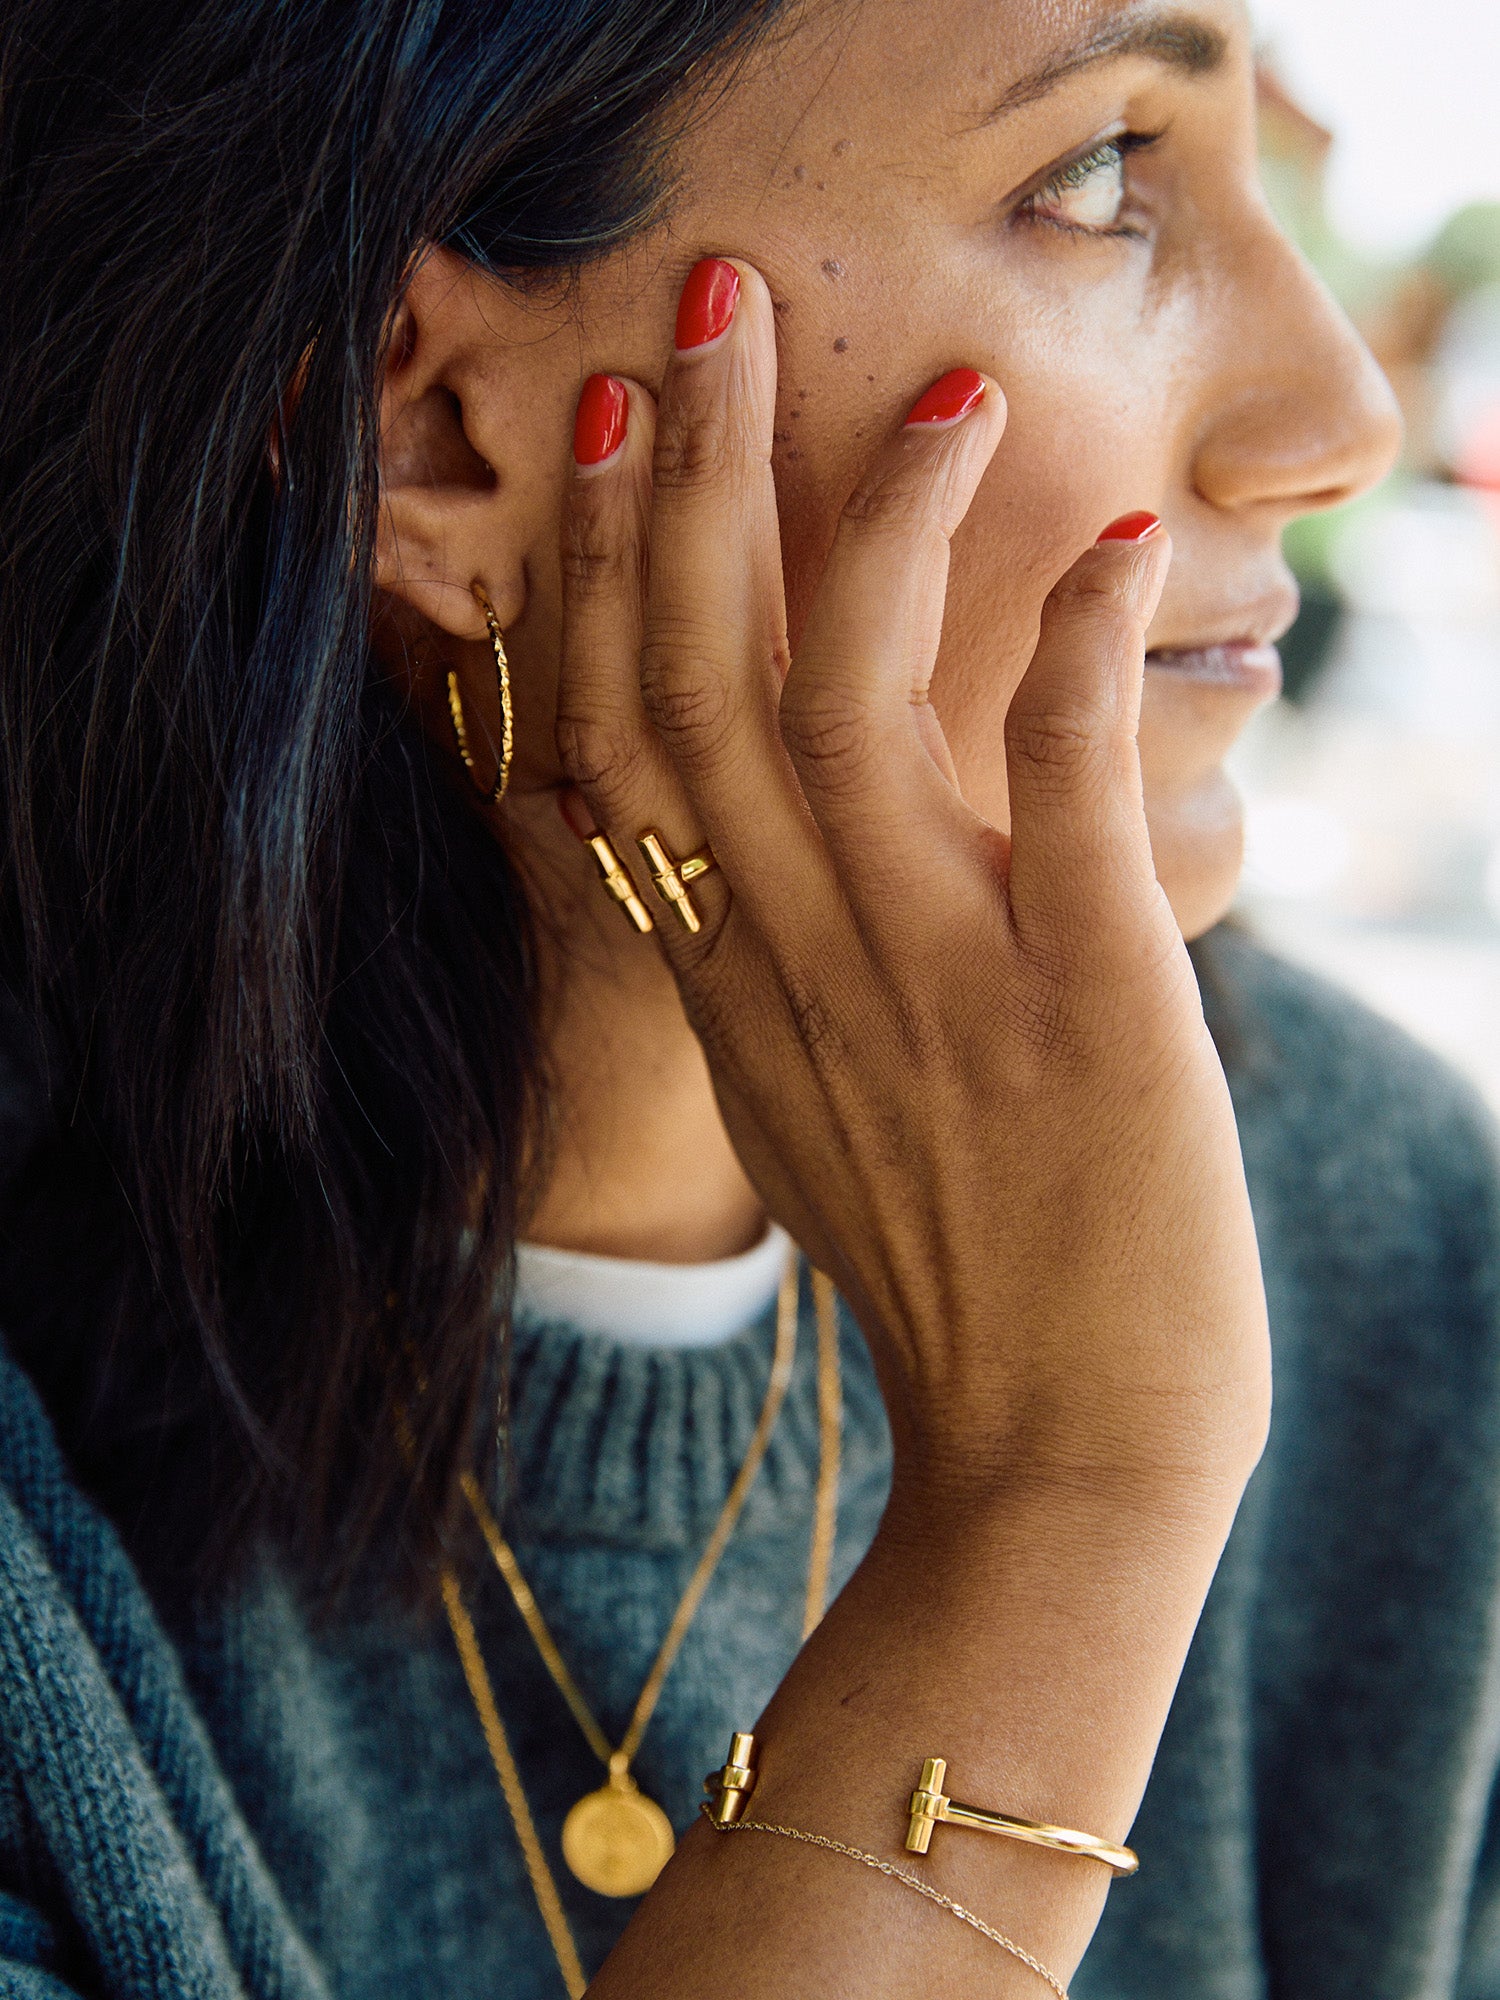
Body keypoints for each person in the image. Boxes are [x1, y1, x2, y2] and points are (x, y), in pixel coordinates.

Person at [1, 0, 1497, 1996]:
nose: (1337, 416)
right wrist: (1069, 1505)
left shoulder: (1398, 1241)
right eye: (1101, 176)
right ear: (434, 428)